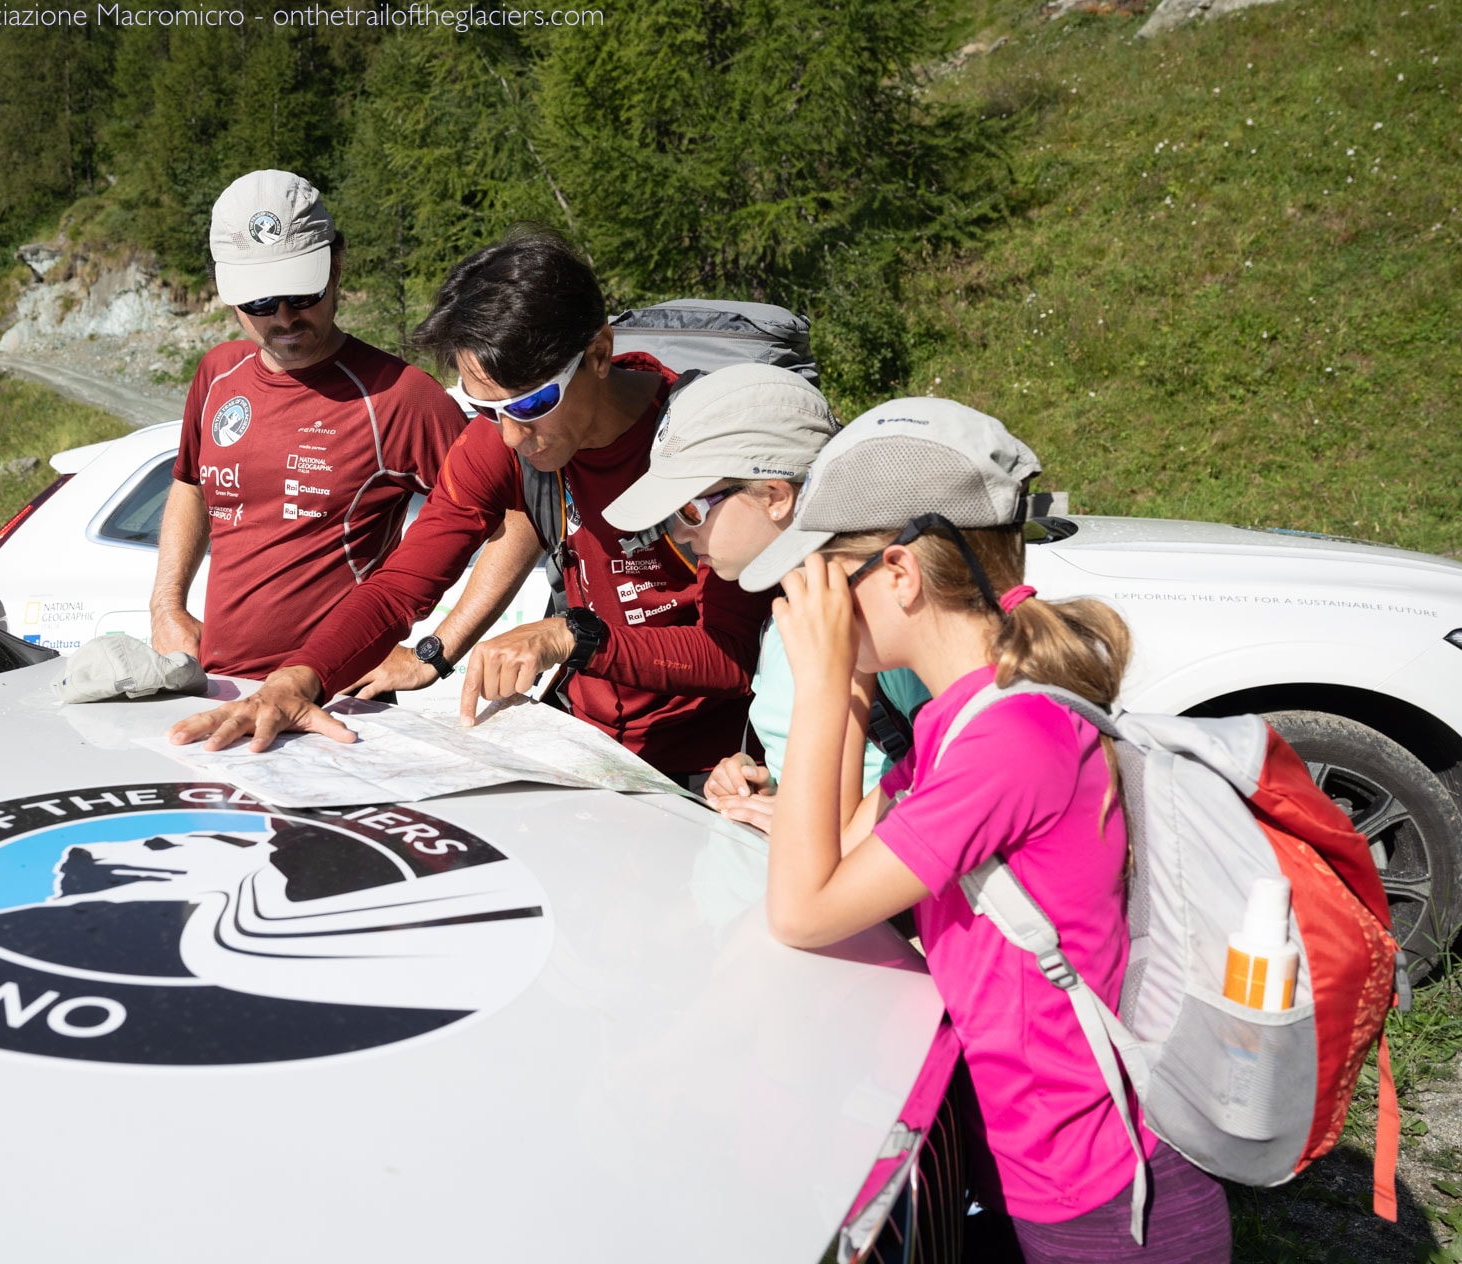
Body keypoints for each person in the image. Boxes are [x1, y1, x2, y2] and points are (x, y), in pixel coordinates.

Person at [748, 399, 1232, 1263]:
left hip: (1110, 1192)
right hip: (1043, 1162)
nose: (805, 607)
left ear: (898, 574)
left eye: (825, 578)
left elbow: (803, 909)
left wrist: (825, 683)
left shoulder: (1012, 741)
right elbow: (840, 856)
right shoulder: (956, 722)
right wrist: (849, 692)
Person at [169, 228, 774, 787]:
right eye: (486, 408)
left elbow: (730, 655)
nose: (509, 436)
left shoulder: (702, 444)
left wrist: (569, 636)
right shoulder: (503, 439)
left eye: (532, 404)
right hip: (583, 746)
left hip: (708, 771)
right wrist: (297, 679)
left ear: (597, 353)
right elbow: (402, 585)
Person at [148, 169, 538, 679]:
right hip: (221, 690)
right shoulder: (218, 374)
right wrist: (166, 605)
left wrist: (437, 651)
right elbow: (191, 485)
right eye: (260, 302)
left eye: (302, 294)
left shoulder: (398, 397)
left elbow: (521, 515)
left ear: (336, 267)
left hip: (341, 705)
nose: (285, 318)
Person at [600, 363, 930, 834]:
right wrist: (763, 778)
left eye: (691, 508)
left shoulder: (872, 606)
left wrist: (821, 827)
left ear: (776, 494)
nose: (678, 532)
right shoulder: (787, 608)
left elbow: (955, 755)